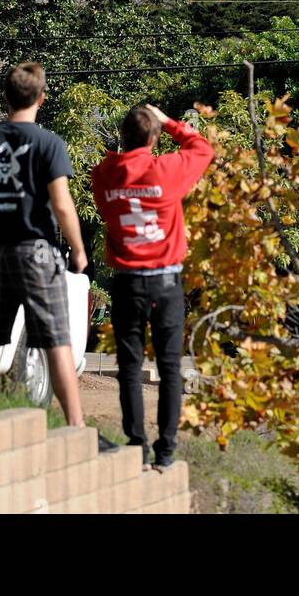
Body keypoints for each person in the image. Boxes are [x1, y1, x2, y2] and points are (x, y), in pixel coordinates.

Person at [0, 60, 88, 430]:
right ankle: (76, 426)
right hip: (35, 252)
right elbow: (62, 204)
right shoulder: (48, 143)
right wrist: (78, 250)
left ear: (5, 97)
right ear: (42, 98)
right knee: (56, 341)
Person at [91, 103, 214, 470]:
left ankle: (136, 445)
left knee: (129, 365)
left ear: (123, 135)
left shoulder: (106, 174)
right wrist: (170, 123)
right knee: (170, 366)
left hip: (128, 282)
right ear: (155, 137)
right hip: (165, 281)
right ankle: (166, 451)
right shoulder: (166, 170)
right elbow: (203, 149)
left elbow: (105, 174)